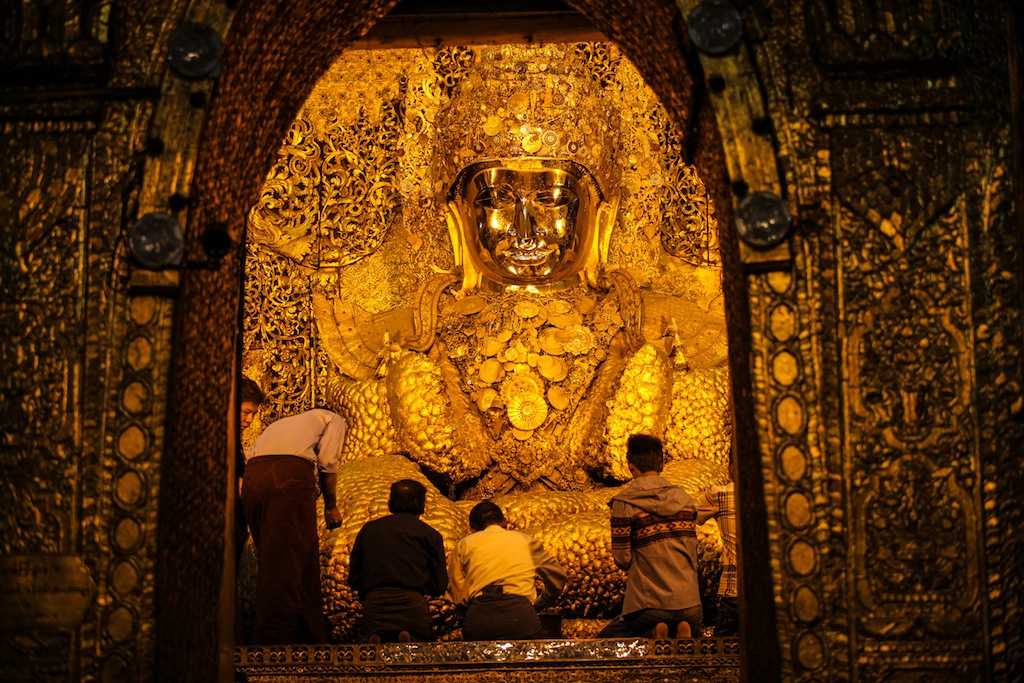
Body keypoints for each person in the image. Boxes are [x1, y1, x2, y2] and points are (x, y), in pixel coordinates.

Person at [242, 408, 346, 644]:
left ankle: (305, 630)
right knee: (290, 560)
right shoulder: (333, 419)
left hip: (253, 477)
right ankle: (278, 638)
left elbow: (252, 455)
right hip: (289, 476)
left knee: (271, 559)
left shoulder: (282, 424)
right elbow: (328, 461)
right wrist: (331, 506)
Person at [599, 434, 702, 640]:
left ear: (630, 465)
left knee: (604, 642)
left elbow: (622, 559)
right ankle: (682, 628)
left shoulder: (624, 503)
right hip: (691, 605)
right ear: (662, 464)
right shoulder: (686, 500)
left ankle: (653, 631)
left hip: (649, 606)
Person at [446, 501, 566, 640]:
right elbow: (558, 577)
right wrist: (540, 603)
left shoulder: (464, 544)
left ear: (473, 527)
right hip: (521, 617)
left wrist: (468, 611)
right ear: (504, 522)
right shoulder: (526, 541)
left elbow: (455, 587)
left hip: (480, 618)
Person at [348, 479, 447, 643]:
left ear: (390, 503)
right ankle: (411, 636)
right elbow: (439, 585)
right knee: (423, 643)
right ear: (422, 504)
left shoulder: (369, 530)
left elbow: (354, 577)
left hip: (375, 606)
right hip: (412, 606)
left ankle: (375, 635)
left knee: (368, 647)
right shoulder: (430, 534)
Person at [693, 481, 737, 636]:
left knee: (721, 648)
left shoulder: (720, 494)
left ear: (731, 468)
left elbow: (691, 514)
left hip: (734, 588)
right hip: (767, 590)